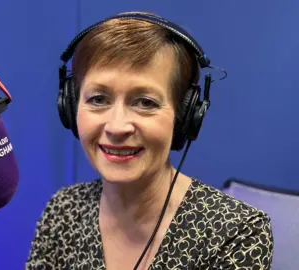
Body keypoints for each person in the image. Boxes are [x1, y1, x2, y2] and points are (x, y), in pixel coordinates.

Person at [26, 11, 274, 270]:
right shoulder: (63, 211)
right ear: (70, 106)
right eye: (98, 99)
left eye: (145, 102)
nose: (117, 127)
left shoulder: (236, 233)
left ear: (184, 116)